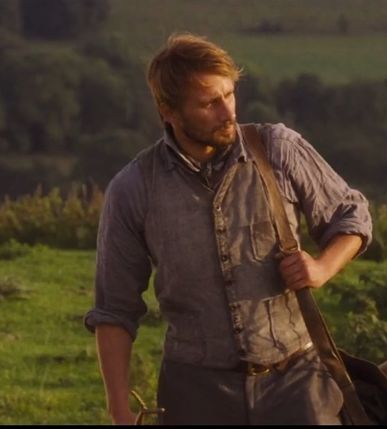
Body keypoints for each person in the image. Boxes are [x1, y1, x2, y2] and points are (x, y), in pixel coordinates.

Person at [84, 33, 372, 425]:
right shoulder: (134, 188)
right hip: (194, 393)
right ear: (167, 111)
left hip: (298, 384)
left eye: (229, 94)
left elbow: (351, 215)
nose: (227, 112)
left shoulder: (278, 150)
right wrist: (119, 408)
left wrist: (322, 267)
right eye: (209, 103)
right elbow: (114, 310)